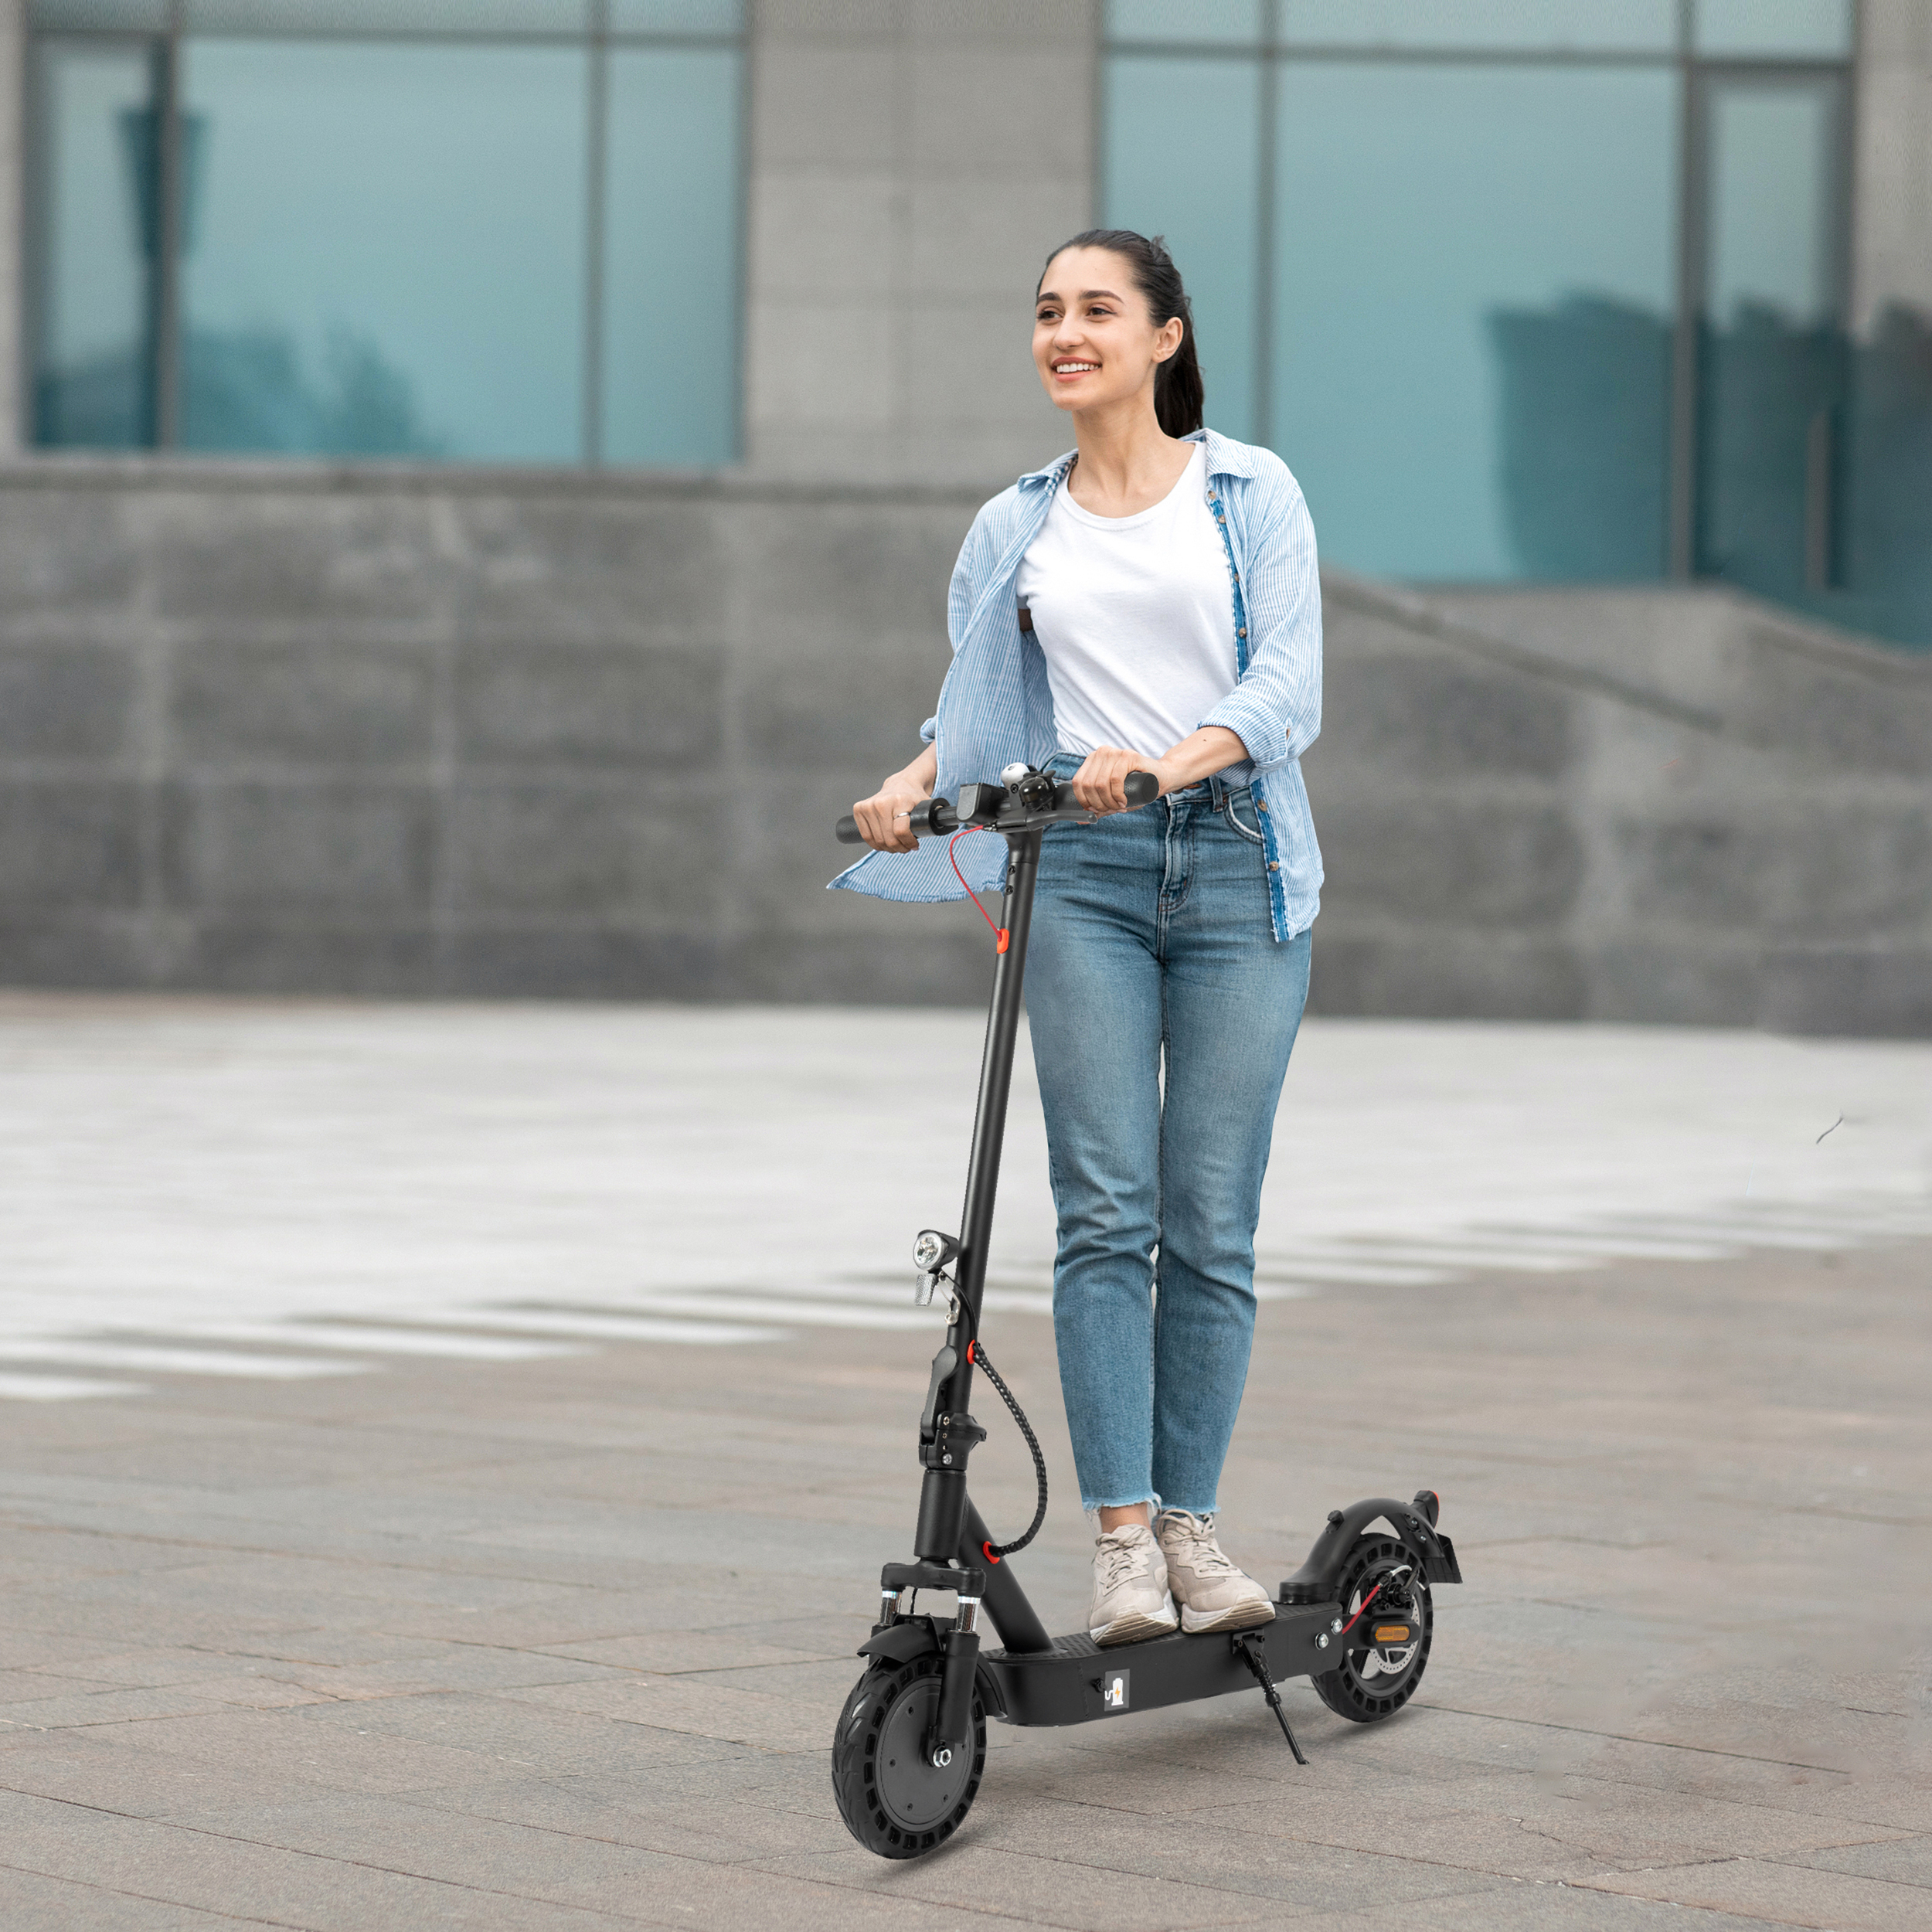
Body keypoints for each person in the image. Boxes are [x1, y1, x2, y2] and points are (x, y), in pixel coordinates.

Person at [833, 230, 1321, 1647]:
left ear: (1165, 337)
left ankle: (1191, 1525)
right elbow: (975, 713)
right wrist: (909, 788)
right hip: (1087, 880)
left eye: (1098, 310)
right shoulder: (1015, 526)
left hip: (1237, 872)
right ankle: (1122, 1544)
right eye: (1049, 312)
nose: (1067, 333)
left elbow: (1288, 684)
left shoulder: (1250, 491)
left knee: (1210, 1223)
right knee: (1108, 1210)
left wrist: (1170, 763)